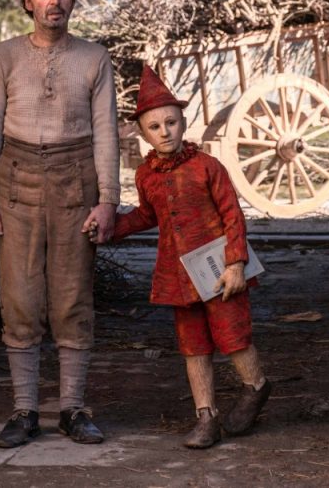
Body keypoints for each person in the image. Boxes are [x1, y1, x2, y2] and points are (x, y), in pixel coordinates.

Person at [0, 0, 120, 448]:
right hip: (17, 184)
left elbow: (106, 133)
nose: (54, 0)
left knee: (73, 297)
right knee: (19, 298)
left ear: (74, 0)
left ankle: (73, 409)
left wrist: (108, 200)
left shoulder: (94, 58)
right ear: (27, 1)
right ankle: (24, 411)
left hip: (75, 184)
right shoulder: (6, 56)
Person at [112, 65, 271, 449]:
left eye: (171, 122)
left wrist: (235, 264)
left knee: (233, 336)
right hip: (180, 276)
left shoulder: (207, 167)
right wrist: (110, 228)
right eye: (154, 127)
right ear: (143, 133)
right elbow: (147, 215)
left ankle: (255, 386)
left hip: (219, 272)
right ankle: (206, 417)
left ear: (183, 123)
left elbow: (233, 215)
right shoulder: (145, 176)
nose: (164, 132)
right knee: (193, 344)